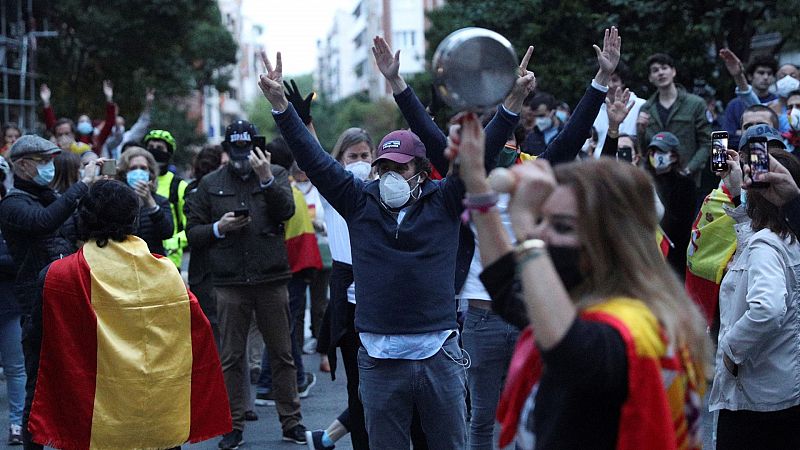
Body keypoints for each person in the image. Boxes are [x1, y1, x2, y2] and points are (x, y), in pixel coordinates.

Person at [455, 116, 708, 449]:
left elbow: (570, 348)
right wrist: (476, 184)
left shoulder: (633, 329)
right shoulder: (592, 307)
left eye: (561, 227)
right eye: (542, 220)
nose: (541, 234)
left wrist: (525, 224)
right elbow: (510, 289)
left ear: (608, 243)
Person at [262, 49, 469, 449]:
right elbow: (317, 161)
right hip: (378, 358)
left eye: (402, 167)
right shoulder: (359, 202)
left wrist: (399, 87)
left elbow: (463, 154)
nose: (391, 175)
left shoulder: (444, 201)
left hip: (439, 354)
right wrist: (280, 107)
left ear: (422, 171)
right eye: (384, 167)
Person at [25, 179, 230, 449]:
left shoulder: (59, 276)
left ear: (82, 217)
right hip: (156, 418)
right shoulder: (165, 272)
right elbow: (191, 337)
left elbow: (37, 356)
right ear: (134, 219)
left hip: (91, 419)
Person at [185, 119, 307, 447]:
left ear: (256, 147)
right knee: (231, 357)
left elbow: (286, 211)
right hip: (229, 282)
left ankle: (291, 421)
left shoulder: (276, 173)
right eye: (236, 149)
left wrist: (266, 178)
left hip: (271, 278)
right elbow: (192, 234)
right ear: (228, 149)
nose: (243, 156)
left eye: (247, 148)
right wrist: (218, 228)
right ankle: (233, 425)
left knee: (282, 353)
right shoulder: (209, 184)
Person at [0, 135, 101, 449]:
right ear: (24, 164)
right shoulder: (14, 203)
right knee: (39, 384)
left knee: (73, 379)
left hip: (63, 295)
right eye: (44, 160)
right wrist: (81, 186)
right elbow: (44, 223)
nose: (50, 166)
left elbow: (67, 229)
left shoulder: (47, 196)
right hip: (36, 301)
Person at [707, 149, 800, 449]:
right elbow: (753, 238)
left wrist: (730, 350)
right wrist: (736, 191)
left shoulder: (766, 245)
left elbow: (768, 308)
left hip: (757, 401)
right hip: (782, 390)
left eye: (751, 182)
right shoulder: (787, 238)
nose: (747, 185)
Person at [638, 53, 712, 192]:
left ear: (673, 71)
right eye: (655, 70)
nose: (660, 73)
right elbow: (643, 150)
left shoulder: (695, 104)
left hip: (689, 179)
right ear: (650, 78)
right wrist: (641, 131)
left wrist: (689, 169)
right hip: (658, 181)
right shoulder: (646, 108)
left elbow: (707, 142)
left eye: (664, 68)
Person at [185, 144, 227, 342]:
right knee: (212, 332)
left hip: (233, 273)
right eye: (224, 164)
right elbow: (193, 234)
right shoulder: (194, 192)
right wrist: (220, 227)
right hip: (206, 274)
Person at [645, 131, 696, 277]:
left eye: (660, 151)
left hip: (675, 255)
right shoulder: (643, 180)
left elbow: (683, 225)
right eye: (653, 151)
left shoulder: (686, 184)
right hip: (649, 251)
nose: (655, 155)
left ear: (673, 156)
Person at [0, 168, 24, 445]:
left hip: (9, 304)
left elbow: (18, 258)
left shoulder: (10, 216)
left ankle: (17, 422)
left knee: (16, 367)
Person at [143, 129, 189, 268]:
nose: (155, 151)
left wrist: (175, 241)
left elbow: (191, 224)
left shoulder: (179, 186)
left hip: (170, 261)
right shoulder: (136, 181)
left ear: (168, 152)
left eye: (160, 148)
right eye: (151, 148)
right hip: (142, 258)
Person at [115, 147, 174, 256]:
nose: (138, 172)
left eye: (143, 168)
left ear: (150, 173)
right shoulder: (116, 201)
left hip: (153, 264)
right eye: (133, 168)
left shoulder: (160, 201)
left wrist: (150, 203)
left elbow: (167, 232)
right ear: (124, 173)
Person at [718, 50, 777, 148]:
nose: (766, 77)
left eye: (769, 73)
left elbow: (778, 136)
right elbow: (727, 138)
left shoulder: (778, 103)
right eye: (761, 73)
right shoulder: (734, 105)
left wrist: (742, 133)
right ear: (750, 76)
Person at [40, 81, 117, 155]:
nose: (64, 137)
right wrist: (46, 102)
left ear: (73, 133)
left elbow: (109, 124)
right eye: (60, 135)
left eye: (67, 134)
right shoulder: (55, 151)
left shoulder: (96, 140)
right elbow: (52, 125)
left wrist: (109, 99)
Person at [592, 61, 646, 156]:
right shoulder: (594, 109)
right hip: (602, 165)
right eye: (606, 80)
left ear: (623, 82)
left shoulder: (641, 105)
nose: (610, 85)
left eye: (614, 80)